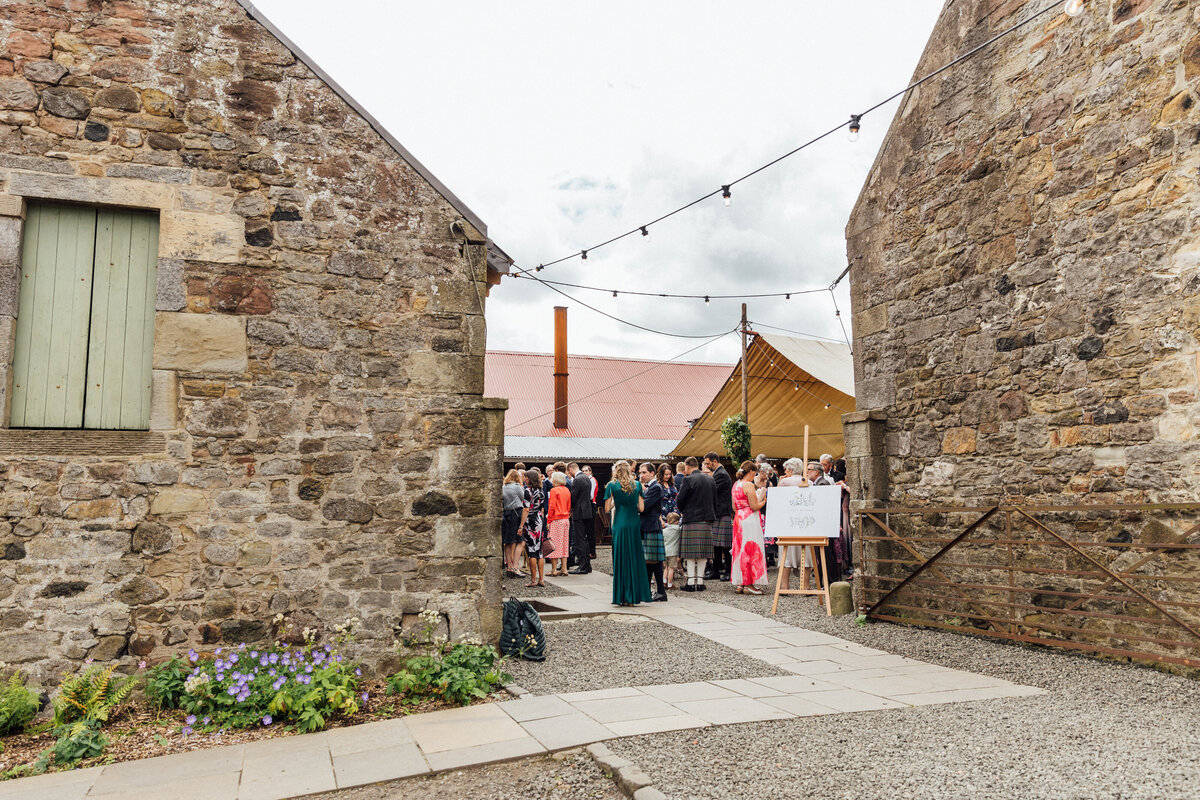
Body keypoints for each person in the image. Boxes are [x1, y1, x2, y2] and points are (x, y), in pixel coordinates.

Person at [606, 460, 652, 606]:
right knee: (634, 557)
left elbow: (607, 508)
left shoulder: (612, 486)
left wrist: (616, 502)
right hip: (633, 524)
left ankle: (622, 596)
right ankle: (633, 596)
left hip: (619, 523)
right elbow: (641, 508)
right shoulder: (637, 485)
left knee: (621, 558)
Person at [675, 456, 715, 592]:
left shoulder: (688, 479)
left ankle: (691, 582)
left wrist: (683, 511)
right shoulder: (710, 479)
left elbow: (680, 499)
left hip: (691, 518)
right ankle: (701, 581)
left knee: (691, 553)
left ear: (687, 467)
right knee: (703, 553)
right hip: (706, 519)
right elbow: (714, 500)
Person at [731, 461, 768, 595]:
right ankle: (749, 583)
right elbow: (754, 506)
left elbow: (734, 507)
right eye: (755, 473)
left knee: (740, 550)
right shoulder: (748, 485)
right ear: (751, 471)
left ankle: (741, 582)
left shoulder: (736, 485)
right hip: (750, 519)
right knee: (751, 549)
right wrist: (763, 501)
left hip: (738, 518)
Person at [806, 460, 841, 584]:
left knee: (826, 554)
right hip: (822, 524)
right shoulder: (819, 483)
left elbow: (823, 505)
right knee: (822, 554)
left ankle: (829, 581)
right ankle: (824, 580)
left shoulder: (822, 484)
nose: (807, 472)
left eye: (809, 470)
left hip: (823, 525)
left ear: (816, 472)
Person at [638, 462, 668, 601]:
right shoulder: (649, 487)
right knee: (648, 561)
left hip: (651, 526)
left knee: (655, 561)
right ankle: (648, 591)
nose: (641, 475)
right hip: (647, 526)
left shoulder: (656, 487)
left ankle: (661, 592)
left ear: (652, 473)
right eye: (640, 472)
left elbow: (644, 506)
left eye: (644, 472)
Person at [703, 452, 734, 582]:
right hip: (719, 512)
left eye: (708, 463)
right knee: (716, 544)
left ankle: (728, 571)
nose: (707, 465)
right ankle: (716, 571)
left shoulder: (721, 474)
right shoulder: (718, 473)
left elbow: (712, 490)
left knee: (726, 545)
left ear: (715, 461)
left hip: (722, 512)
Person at [777, 457, 806, 590]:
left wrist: (780, 482)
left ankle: (784, 586)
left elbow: (777, 497)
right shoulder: (809, 482)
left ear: (790, 470)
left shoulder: (785, 482)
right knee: (806, 554)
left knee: (786, 555)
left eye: (786, 470)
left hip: (788, 521)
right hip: (805, 522)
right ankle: (806, 586)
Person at [567, 462, 594, 574]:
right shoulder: (587, 478)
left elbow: (573, 497)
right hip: (587, 511)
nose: (569, 474)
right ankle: (587, 565)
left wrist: (570, 508)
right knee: (585, 539)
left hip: (579, 512)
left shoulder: (577, 480)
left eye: (568, 471)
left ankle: (582, 566)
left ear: (571, 469)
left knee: (580, 539)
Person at [522, 468, 546, 587]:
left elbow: (526, 509)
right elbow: (542, 508)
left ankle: (533, 580)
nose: (524, 479)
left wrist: (521, 525)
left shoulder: (527, 491)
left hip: (530, 521)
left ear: (529, 479)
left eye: (526, 477)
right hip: (539, 520)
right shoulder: (541, 491)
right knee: (540, 551)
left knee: (531, 550)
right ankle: (541, 579)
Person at [501, 470, 527, 578]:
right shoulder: (517, 486)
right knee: (519, 541)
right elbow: (523, 498)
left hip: (506, 513)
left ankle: (509, 567)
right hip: (516, 513)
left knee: (508, 541)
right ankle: (515, 567)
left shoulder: (503, 487)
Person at [546, 472, 571, 576]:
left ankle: (554, 569)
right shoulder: (567, 490)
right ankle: (564, 568)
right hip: (565, 520)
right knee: (565, 544)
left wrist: (548, 520)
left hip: (556, 520)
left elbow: (552, 506)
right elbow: (569, 506)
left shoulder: (554, 490)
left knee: (554, 544)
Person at [581, 465, 599, 558]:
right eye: (583, 471)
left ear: (590, 471)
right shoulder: (586, 480)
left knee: (590, 529)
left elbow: (591, 495)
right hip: (587, 504)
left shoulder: (591, 480)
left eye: (586, 471)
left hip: (590, 504)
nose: (584, 472)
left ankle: (592, 551)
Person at [662, 511, 682, 589]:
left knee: (665, 568)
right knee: (671, 569)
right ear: (676, 521)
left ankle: (664, 582)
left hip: (665, 552)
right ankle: (670, 585)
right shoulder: (678, 529)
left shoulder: (664, 530)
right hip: (673, 552)